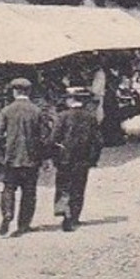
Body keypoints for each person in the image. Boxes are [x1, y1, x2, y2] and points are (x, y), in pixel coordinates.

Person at [0, 77, 49, 237]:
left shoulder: (6, 110)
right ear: (29, 92)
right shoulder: (36, 111)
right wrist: (45, 158)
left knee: (8, 188)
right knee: (29, 192)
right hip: (32, 159)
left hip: (11, 158)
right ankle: (24, 224)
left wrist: (2, 152)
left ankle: (7, 214)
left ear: (14, 91)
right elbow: (44, 136)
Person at [51, 88, 104, 231]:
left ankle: (64, 211)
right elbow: (98, 141)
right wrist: (93, 159)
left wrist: (54, 157)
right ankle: (74, 216)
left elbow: (54, 139)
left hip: (64, 159)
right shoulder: (90, 117)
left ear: (72, 100)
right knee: (79, 187)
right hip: (83, 159)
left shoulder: (62, 116)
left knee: (64, 185)